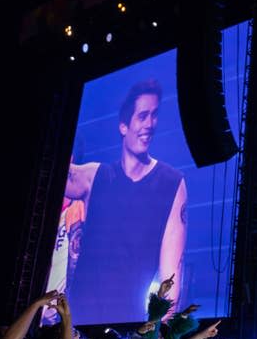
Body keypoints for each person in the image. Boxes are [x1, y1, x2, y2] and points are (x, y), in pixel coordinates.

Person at [64, 80, 187, 324]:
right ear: (124, 125)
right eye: (143, 116)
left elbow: (171, 275)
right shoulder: (95, 176)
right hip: (75, 322)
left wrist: (159, 334)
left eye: (154, 116)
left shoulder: (171, 183)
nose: (150, 124)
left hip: (127, 322)